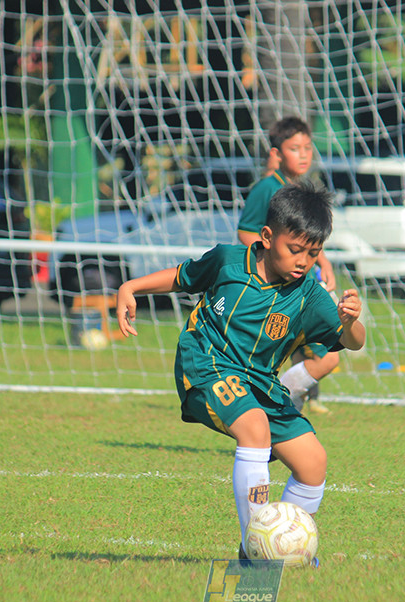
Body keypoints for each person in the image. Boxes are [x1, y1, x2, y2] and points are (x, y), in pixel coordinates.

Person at [116, 181, 366, 563]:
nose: (303, 261)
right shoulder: (228, 261)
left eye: (313, 254)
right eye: (294, 250)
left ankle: (285, 545)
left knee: (313, 461)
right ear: (267, 237)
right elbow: (182, 277)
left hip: (259, 382)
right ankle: (258, 549)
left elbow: (353, 342)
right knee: (254, 427)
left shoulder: (310, 295)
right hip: (205, 361)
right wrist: (131, 287)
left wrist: (351, 322)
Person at [237, 116, 340, 415]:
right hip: (278, 287)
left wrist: (323, 261)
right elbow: (246, 231)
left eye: (308, 147)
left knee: (310, 350)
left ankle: (291, 401)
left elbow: (306, 240)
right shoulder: (266, 188)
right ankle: (278, 402)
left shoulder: (303, 190)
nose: (304, 154)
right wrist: (270, 262)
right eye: (295, 148)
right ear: (277, 154)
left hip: (302, 282)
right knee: (327, 356)